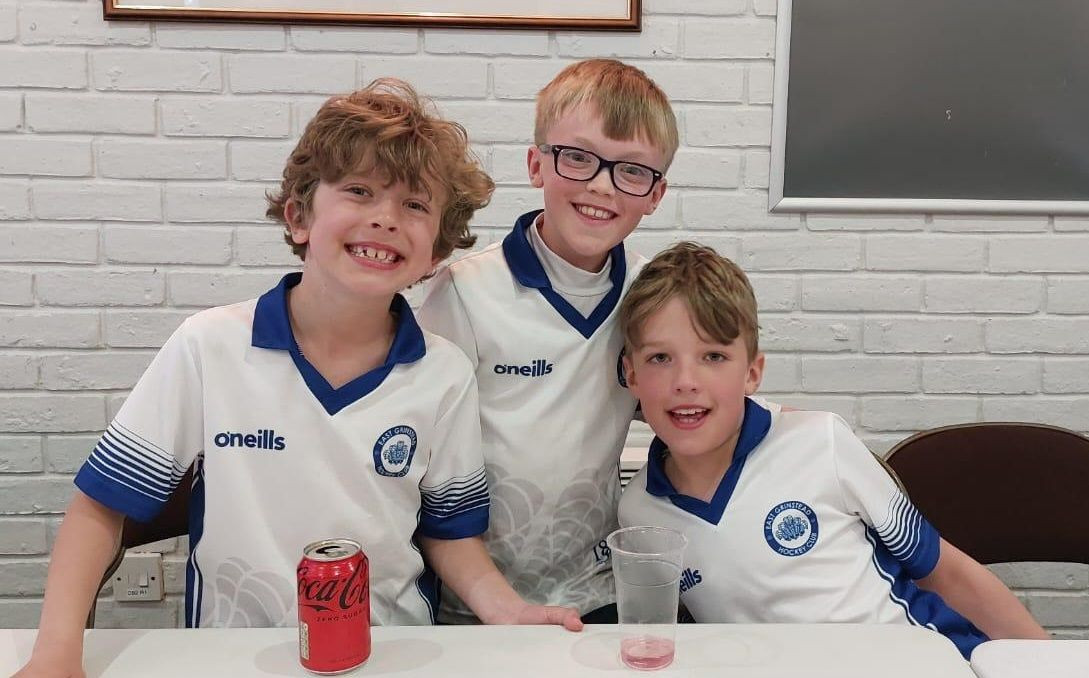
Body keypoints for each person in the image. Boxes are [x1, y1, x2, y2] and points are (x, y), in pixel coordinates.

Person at [17, 79, 579, 678]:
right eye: (359, 191)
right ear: (299, 216)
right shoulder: (209, 346)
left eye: (415, 205)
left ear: (436, 251)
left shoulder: (444, 374)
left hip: (392, 652)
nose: (386, 219)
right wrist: (55, 655)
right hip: (230, 658)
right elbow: (100, 508)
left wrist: (508, 611)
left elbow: (450, 533)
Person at [616, 242, 1049, 659]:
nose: (686, 381)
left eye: (712, 356)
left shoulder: (820, 442)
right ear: (631, 375)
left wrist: (1048, 660)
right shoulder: (638, 514)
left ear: (752, 373)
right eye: (660, 358)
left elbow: (945, 572)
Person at [416, 59, 680, 624]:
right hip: (477, 602)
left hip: (598, 590)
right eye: (578, 157)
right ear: (537, 164)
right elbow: (427, 467)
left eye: (632, 170)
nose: (601, 185)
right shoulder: (465, 292)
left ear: (655, 194)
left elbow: (692, 403)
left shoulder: (649, 292)